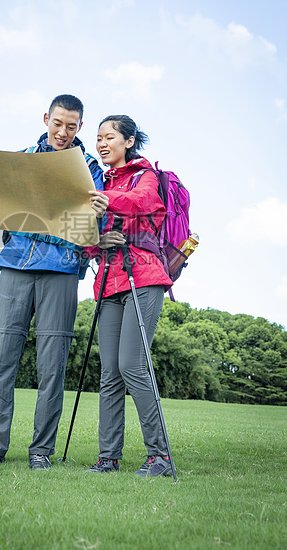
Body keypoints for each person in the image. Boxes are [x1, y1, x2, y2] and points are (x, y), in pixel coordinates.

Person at [0, 94, 108, 469]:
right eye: (57, 123)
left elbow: (90, 229)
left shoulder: (90, 168)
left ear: (80, 127)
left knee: (52, 366)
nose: (63, 131)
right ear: (46, 119)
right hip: (14, 267)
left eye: (71, 126)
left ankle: (41, 451)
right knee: (1, 361)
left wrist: (99, 213)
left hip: (63, 271)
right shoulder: (20, 158)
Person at [84, 114, 173, 478]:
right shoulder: (96, 183)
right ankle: (108, 458)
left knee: (132, 366)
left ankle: (160, 457)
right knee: (109, 374)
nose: (102, 144)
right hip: (108, 283)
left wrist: (103, 198)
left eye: (109, 137)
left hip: (144, 276)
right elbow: (82, 235)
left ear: (129, 141)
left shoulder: (145, 176)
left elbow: (143, 202)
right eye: (98, 138)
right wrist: (96, 243)